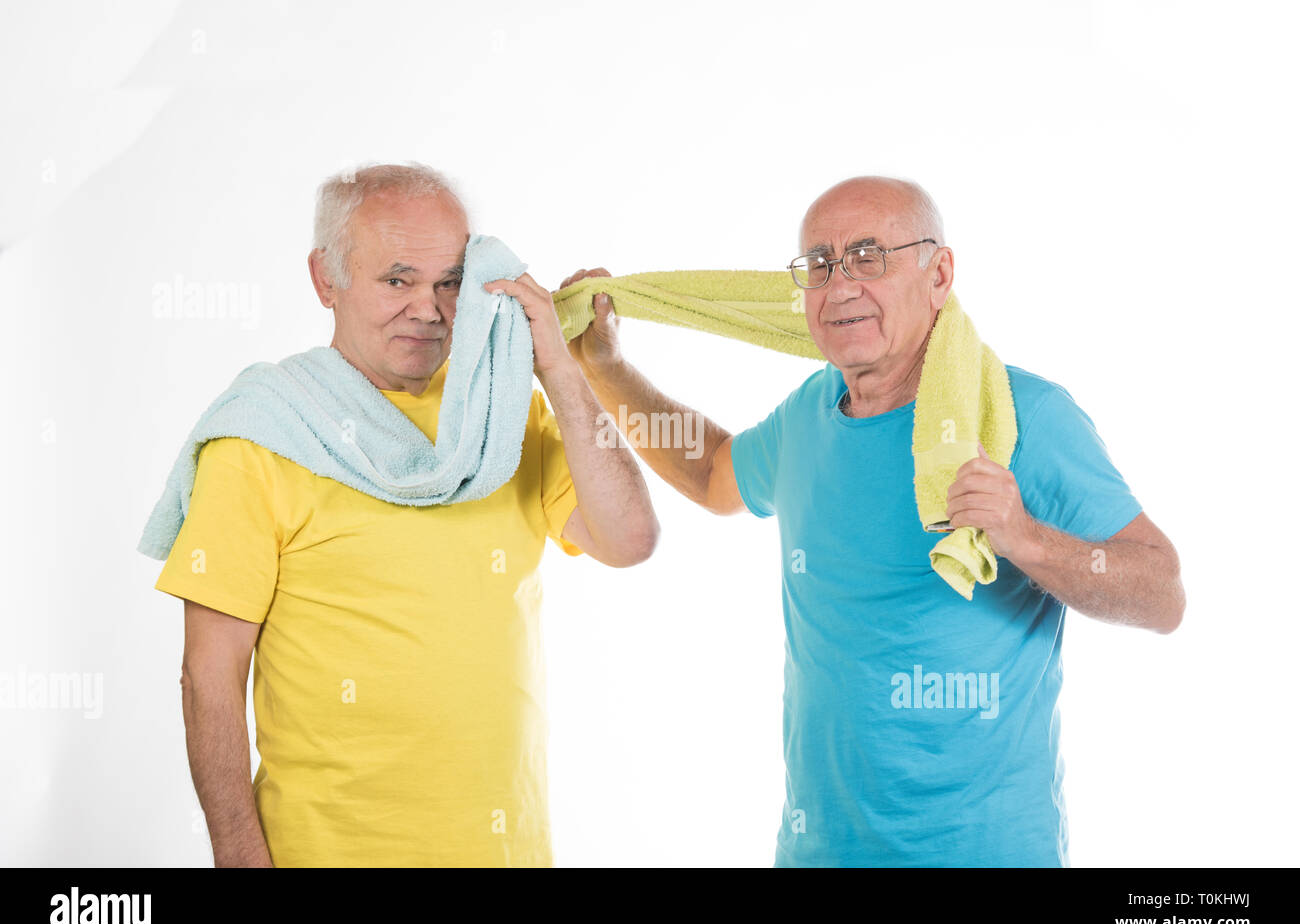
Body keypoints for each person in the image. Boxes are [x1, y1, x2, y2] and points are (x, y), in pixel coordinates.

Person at [562, 175, 1185, 866]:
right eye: (820, 265)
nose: (840, 284)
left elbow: (1162, 593)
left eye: (869, 255)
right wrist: (605, 367)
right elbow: (714, 473)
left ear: (938, 273)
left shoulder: (1020, 415)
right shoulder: (808, 414)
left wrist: (1026, 537)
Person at [154, 162, 658, 866]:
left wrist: (562, 371)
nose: (429, 308)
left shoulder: (499, 416)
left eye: (450, 282)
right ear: (325, 278)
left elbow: (631, 537)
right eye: (398, 279)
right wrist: (238, 855)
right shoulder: (263, 435)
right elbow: (208, 674)